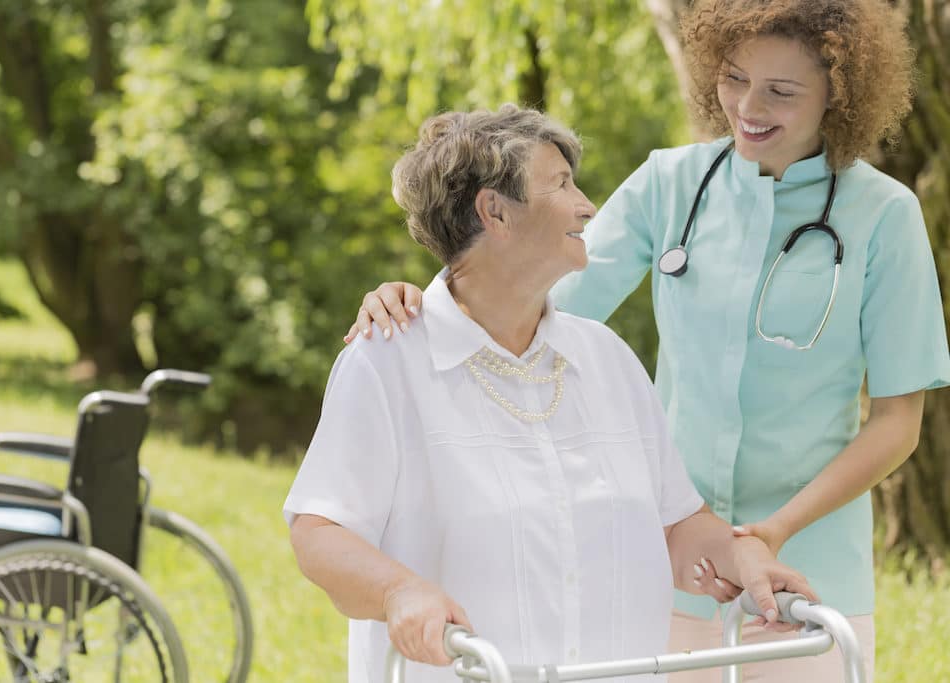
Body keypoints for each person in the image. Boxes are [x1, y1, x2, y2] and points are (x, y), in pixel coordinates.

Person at [342, 1, 950, 681]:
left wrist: (771, 530)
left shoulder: (886, 216)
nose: (748, 105)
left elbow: (898, 422)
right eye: (733, 77)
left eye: (781, 91)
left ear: (839, 95)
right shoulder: (671, 183)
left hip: (811, 565)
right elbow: (525, 290)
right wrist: (422, 302)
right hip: (670, 556)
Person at [286, 105, 815, 683]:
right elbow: (319, 532)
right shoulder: (387, 360)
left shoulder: (606, 358)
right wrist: (398, 592)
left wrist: (742, 556)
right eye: (562, 184)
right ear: (495, 211)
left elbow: (676, 526)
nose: (587, 205)